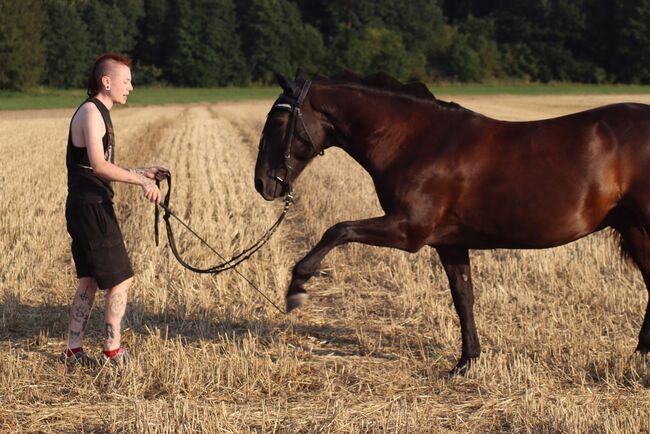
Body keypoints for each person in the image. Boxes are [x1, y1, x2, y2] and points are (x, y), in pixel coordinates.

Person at [60, 52, 169, 369]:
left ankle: (73, 352)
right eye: (126, 81)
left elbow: (90, 168)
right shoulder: (92, 113)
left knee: (89, 281)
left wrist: (142, 171)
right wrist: (139, 181)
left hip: (84, 205)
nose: (130, 87)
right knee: (122, 279)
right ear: (106, 82)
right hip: (91, 208)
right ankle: (112, 349)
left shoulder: (97, 112)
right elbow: (99, 166)